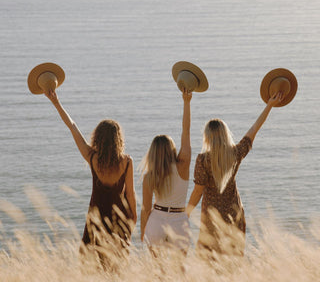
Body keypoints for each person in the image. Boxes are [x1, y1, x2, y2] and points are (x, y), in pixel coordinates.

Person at [45, 89, 137, 268]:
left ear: (98, 138)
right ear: (118, 139)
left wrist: (56, 102)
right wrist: (133, 218)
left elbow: (72, 126)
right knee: (117, 268)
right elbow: (131, 194)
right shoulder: (127, 162)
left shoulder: (92, 158)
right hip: (120, 221)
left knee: (92, 268)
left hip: (96, 220)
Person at [186, 92, 283, 256]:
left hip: (211, 218)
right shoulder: (235, 154)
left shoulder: (203, 160)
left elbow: (197, 191)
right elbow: (254, 129)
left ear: (207, 138)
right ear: (225, 135)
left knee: (207, 261)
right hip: (234, 214)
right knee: (233, 261)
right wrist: (269, 106)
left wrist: (185, 213)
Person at [140, 89, 192, 253]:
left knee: (157, 273)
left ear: (153, 152)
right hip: (179, 220)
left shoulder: (150, 176)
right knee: (180, 272)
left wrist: (143, 233)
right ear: (172, 149)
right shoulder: (182, 166)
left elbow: (146, 209)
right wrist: (186, 102)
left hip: (157, 220)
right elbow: (186, 131)